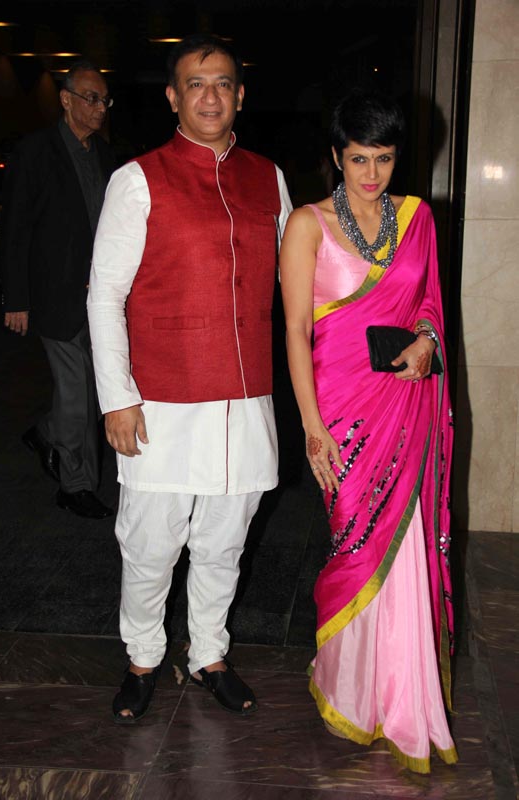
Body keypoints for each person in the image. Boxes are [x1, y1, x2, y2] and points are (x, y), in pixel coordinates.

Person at [87, 34, 292, 723]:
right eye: (196, 84)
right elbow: (104, 296)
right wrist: (117, 398)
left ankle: (209, 654)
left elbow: (299, 285)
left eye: (223, 83)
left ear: (240, 95)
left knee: (224, 544)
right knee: (150, 544)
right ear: (173, 98)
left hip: (247, 401)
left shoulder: (268, 177)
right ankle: (144, 657)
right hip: (161, 401)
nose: (211, 96)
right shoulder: (137, 179)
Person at [279, 88, 458, 773]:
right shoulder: (307, 224)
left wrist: (426, 341)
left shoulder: (416, 219)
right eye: (358, 158)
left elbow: (431, 304)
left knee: (406, 546)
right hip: (341, 413)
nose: (371, 173)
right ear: (336, 155)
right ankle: (352, 690)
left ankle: (404, 695)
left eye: (383, 158)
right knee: (355, 543)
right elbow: (296, 329)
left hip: (406, 404)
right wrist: (310, 426)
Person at [0, 60, 116, 519]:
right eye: (91, 98)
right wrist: (17, 299)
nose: (100, 107)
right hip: (54, 294)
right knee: (77, 391)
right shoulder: (36, 152)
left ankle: (47, 432)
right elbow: (16, 228)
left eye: (105, 99)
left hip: (100, 296)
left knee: (92, 389)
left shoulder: (106, 155)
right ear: (66, 100)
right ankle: (75, 485)